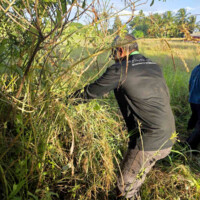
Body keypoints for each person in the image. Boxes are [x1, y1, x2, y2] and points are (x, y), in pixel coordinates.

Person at [68, 34, 176, 200]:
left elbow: (90, 92)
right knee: (134, 181)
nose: (113, 58)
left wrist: (62, 101)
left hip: (149, 140)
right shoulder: (153, 65)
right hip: (169, 135)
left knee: (124, 187)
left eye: (113, 54)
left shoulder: (120, 69)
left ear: (119, 50)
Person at [187, 63, 200, 151]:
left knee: (195, 116)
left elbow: (190, 85)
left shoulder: (196, 68)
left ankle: (189, 128)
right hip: (199, 101)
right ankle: (190, 145)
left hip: (193, 100)